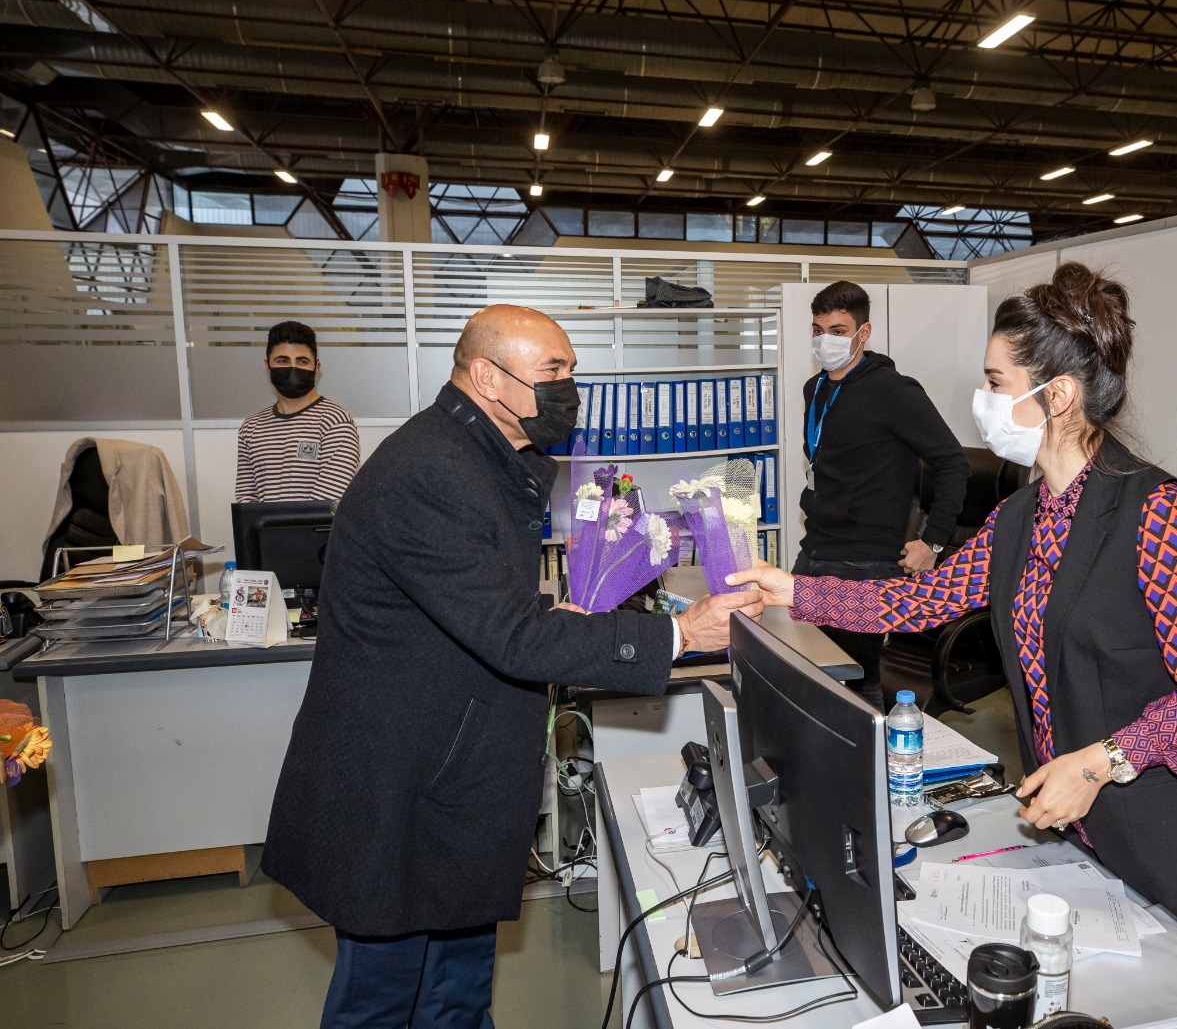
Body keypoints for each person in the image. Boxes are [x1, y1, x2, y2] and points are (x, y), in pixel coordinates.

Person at [735, 263, 1177, 956]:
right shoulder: (1020, 516)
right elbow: (919, 599)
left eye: (996, 383)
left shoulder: (1160, 516)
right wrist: (794, 591)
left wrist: (1100, 762)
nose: (982, 400)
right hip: (1080, 839)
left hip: (1173, 847)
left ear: (1060, 395)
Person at [261, 305, 763, 1028]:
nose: (569, 390)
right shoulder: (430, 473)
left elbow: (477, 603)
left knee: (456, 995)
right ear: (487, 377)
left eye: (571, 372)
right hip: (401, 790)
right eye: (552, 372)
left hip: (447, 777)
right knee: (382, 1001)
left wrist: (561, 618)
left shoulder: (479, 456)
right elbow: (512, 638)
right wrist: (679, 634)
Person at [797, 280, 969, 711]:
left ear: (864, 332)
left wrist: (934, 541)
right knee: (805, 672)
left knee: (855, 679)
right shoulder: (814, 389)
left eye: (838, 331)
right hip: (815, 549)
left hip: (866, 560)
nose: (825, 341)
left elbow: (953, 463)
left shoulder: (895, 391)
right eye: (818, 331)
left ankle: (874, 750)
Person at [235, 320, 360, 503]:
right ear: (268, 367)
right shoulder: (251, 427)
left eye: (302, 361)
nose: (292, 368)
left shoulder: (335, 422)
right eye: (282, 360)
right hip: (264, 525)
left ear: (316, 368)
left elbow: (326, 503)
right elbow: (246, 499)